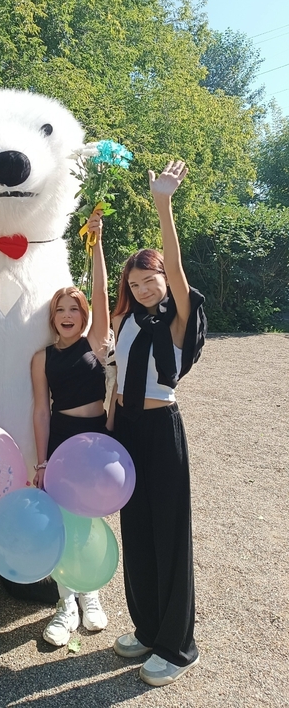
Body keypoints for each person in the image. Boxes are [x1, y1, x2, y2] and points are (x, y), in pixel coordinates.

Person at [109, 161, 206, 687]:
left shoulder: (178, 318)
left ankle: (177, 646)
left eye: (152, 280)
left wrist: (162, 205)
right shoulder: (127, 321)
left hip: (162, 431)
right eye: (136, 282)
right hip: (126, 431)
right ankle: (148, 628)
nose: (145, 288)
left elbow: (178, 270)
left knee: (169, 535)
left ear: (165, 280)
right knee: (137, 531)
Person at [31, 211, 110, 646]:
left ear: (84, 315)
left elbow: (101, 292)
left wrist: (97, 245)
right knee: (63, 521)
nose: (67, 315)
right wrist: (42, 461)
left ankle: (90, 593)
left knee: (91, 519)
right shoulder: (41, 358)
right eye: (60, 309)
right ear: (52, 317)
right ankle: (65, 606)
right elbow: (41, 411)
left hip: (97, 442)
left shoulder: (95, 343)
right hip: (62, 442)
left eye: (74, 309)